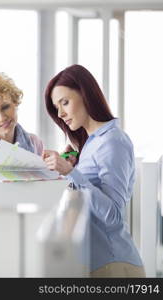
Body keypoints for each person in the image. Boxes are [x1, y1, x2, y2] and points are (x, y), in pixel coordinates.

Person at [42, 64, 145, 277]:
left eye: (65, 102)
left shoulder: (113, 141)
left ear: (85, 94)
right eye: (57, 107)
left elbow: (114, 215)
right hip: (96, 264)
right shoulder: (91, 143)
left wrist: (72, 172)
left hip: (114, 265)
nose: (60, 113)